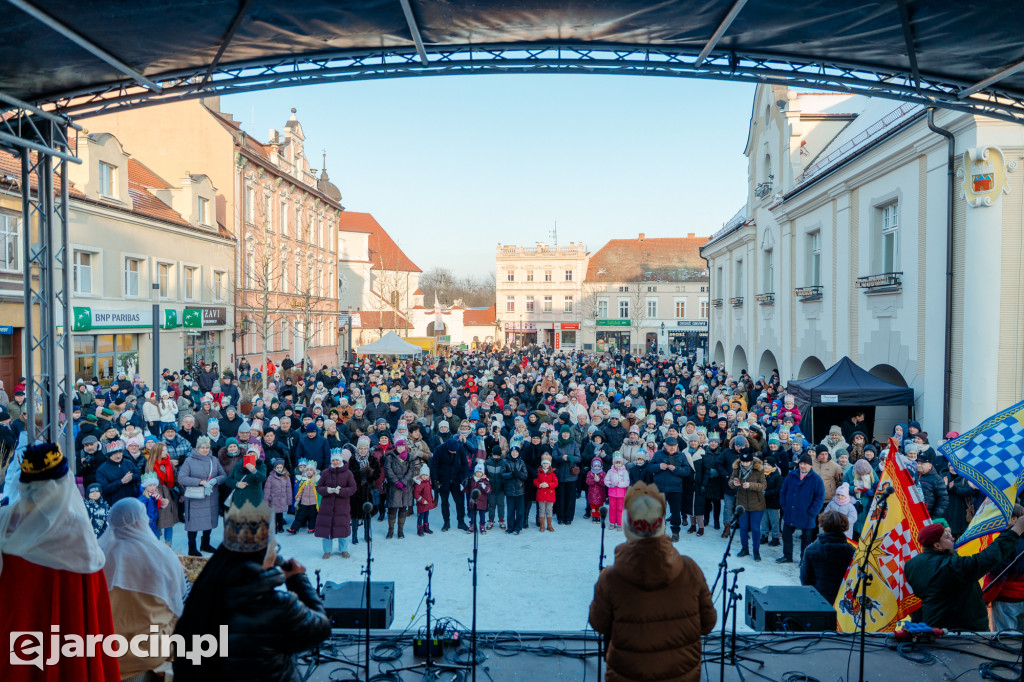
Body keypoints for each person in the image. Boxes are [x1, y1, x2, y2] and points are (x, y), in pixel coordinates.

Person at [0, 443, 120, 682]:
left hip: (13, 631)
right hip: (67, 634)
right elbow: (94, 598)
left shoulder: (4, 521)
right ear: (61, 485)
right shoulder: (75, 528)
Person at [173, 500, 332, 681]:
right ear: (264, 554)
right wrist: (298, 580)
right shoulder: (277, 606)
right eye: (274, 548)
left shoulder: (205, 592)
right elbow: (322, 628)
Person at [589, 482, 716, 682]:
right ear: (661, 524)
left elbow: (598, 624)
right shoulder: (690, 569)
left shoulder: (610, 577)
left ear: (627, 525)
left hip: (628, 674)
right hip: (682, 675)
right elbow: (708, 624)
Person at [99, 497, 186, 679]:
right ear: (140, 521)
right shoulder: (164, 556)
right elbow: (180, 602)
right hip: (150, 651)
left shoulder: (97, 558)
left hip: (102, 650)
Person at [906, 517, 1024, 631]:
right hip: (964, 631)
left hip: (934, 625)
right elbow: (987, 558)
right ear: (937, 546)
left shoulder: (911, 565)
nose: (952, 538)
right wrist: (1015, 531)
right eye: (947, 537)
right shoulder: (951, 566)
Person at [177, 434, 227, 556]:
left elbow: (223, 475)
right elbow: (181, 478)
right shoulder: (189, 461)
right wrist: (199, 482)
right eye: (202, 447)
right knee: (193, 523)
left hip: (210, 496)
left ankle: (205, 544)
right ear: (197, 448)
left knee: (208, 521)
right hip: (195, 497)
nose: (205, 450)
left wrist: (215, 481)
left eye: (207, 447)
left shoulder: (213, 460)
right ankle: (192, 547)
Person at [777, 454, 825, 564]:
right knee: (786, 535)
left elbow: (819, 498)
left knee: (806, 540)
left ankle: (804, 560)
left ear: (810, 465)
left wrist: (812, 512)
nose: (803, 466)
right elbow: (783, 491)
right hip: (790, 512)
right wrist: (784, 505)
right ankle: (787, 556)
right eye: (801, 463)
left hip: (806, 514)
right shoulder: (791, 475)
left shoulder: (816, 479)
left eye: (805, 464)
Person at [800, 510, 856, 604]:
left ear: (822, 526)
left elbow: (805, 579)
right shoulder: (852, 551)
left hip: (818, 599)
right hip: (844, 600)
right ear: (844, 527)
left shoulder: (811, 550)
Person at [984, 505, 1024, 631]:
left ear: (1015, 519)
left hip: (1008, 600)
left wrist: (984, 599)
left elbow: (996, 576)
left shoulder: (1005, 542)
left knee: (1005, 640)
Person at [316, 448, 358, 559]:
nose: (335, 462)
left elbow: (353, 488)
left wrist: (341, 491)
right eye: (333, 460)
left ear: (341, 460)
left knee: (342, 529)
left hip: (342, 506)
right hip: (327, 507)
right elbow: (319, 487)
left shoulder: (348, 473)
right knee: (327, 530)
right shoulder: (325, 473)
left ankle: (344, 550)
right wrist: (327, 490)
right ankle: (327, 551)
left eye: (337, 460)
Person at [729, 452, 767, 561]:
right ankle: (744, 548)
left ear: (751, 461)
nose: (745, 464)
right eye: (743, 462)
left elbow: (764, 485)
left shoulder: (758, 469)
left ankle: (756, 551)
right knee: (743, 528)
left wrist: (751, 485)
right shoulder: (737, 469)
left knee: (755, 529)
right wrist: (733, 483)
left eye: (747, 462)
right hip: (742, 503)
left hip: (757, 504)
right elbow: (730, 482)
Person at [604, 453, 630, 530]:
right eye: (616, 463)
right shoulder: (610, 471)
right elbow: (606, 479)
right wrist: (609, 484)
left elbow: (627, 482)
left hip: (621, 494)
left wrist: (619, 484)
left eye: (619, 463)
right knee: (612, 508)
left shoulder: (624, 472)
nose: (618, 465)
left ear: (621, 463)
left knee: (620, 509)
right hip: (612, 493)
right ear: (613, 463)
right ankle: (612, 523)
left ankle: (620, 523)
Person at [534, 453, 558, 532]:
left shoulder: (552, 473)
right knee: (541, 510)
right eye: (543, 463)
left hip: (550, 495)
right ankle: (542, 525)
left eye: (547, 463)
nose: (545, 465)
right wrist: (539, 485)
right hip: (541, 495)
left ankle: (549, 525)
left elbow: (555, 483)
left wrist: (548, 484)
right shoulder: (539, 473)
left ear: (549, 465)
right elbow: (535, 481)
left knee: (549, 510)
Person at [467, 460, 492, 533]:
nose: (478, 474)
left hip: (482, 502)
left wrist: (485, 487)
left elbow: (489, 491)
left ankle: (482, 526)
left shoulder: (485, 481)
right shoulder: (472, 480)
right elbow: (468, 489)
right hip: (473, 501)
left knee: (482, 515)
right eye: (477, 472)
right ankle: (472, 525)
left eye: (480, 472)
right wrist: (463, 488)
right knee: (472, 514)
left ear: (482, 473)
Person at [414, 463, 436, 536]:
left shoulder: (428, 482)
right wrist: (422, 500)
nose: (424, 476)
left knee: (426, 515)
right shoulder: (419, 483)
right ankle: (419, 529)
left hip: (427, 504)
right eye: (423, 475)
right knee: (421, 516)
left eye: (426, 475)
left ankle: (426, 527)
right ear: (420, 475)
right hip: (422, 504)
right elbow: (416, 494)